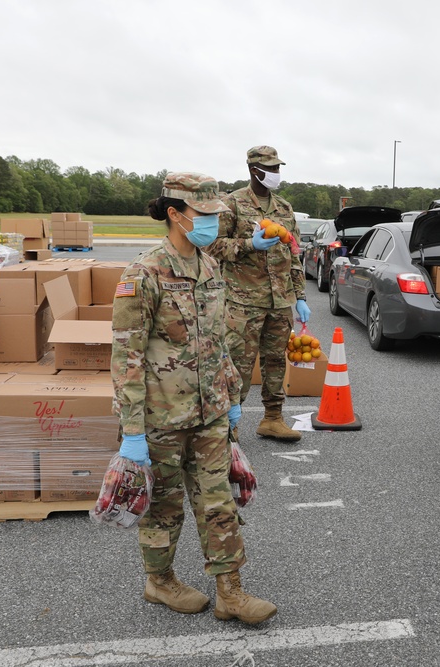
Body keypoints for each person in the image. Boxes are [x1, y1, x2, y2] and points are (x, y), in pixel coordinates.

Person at [110, 172, 276, 625]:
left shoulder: (209, 267)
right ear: (174, 214)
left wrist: (234, 395)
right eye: (203, 215)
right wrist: (131, 431)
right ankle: (159, 582)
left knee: (218, 503)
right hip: (161, 417)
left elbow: (219, 341)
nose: (212, 224)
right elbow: (127, 355)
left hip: (211, 412)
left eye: (215, 215)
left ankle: (231, 593)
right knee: (163, 509)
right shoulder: (143, 273)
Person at [210, 145, 310, 442]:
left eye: (279, 168)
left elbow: (294, 254)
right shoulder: (231, 204)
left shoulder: (285, 208)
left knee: (276, 361)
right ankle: (230, 425)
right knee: (238, 364)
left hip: (280, 302)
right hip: (243, 302)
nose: (277, 174)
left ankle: (272, 418)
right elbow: (211, 248)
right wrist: (248, 245)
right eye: (272, 169)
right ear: (255, 170)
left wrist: (301, 296)